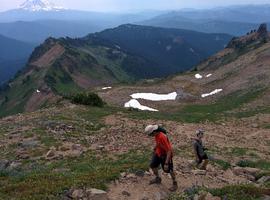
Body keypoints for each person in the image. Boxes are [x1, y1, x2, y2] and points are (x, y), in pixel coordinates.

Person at [145, 124, 178, 191]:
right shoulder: (156, 134)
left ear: (153, 132)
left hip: (166, 155)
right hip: (158, 153)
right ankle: (158, 178)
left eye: (150, 135)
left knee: (169, 170)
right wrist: (155, 148)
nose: (150, 136)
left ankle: (175, 183)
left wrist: (166, 163)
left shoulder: (162, 137)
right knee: (153, 165)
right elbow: (158, 143)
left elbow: (169, 151)